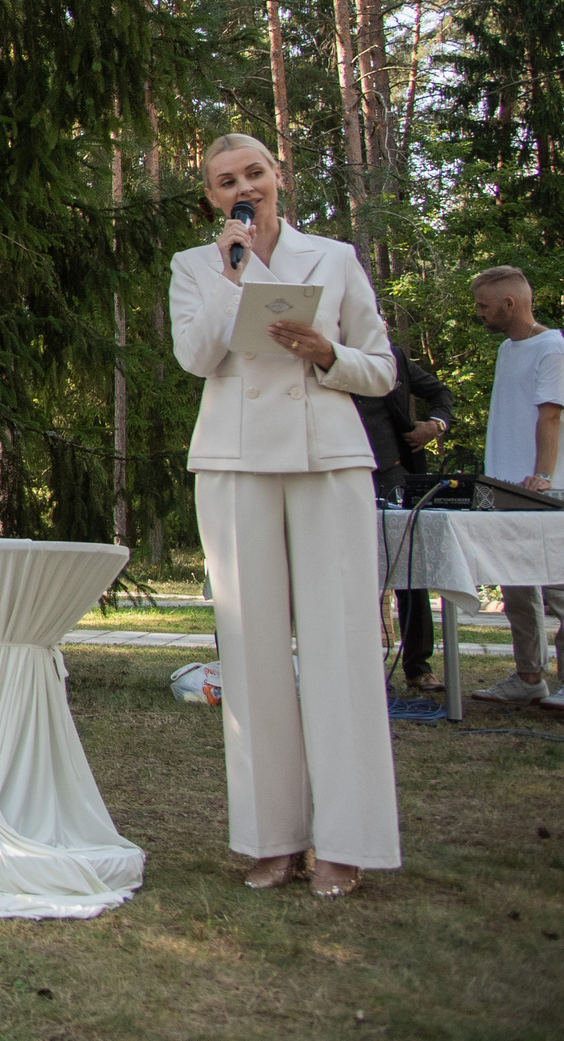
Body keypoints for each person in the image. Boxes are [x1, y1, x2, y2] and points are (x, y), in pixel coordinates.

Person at [169, 133, 399, 898]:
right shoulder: (196, 266)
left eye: (254, 172)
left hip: (327, 458)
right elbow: (197, 358)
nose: (244, 186)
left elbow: (382, 369)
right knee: (251, 650)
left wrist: (326, 350)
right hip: (234, 463)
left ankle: (346, 840)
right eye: (226, 179)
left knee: (340, 647)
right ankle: (271, 838)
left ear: (278, 177)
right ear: (212, 197)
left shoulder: (332, 257)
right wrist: (233, 276)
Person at [468, 266, 564, 710]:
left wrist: (544, 477)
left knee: (560, 589)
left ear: (509, 304)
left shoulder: (553, 350)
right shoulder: (506, 349)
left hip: (541, 489)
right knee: (516, 585)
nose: (480, 314)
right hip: (503, 485)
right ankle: (529, 676)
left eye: (484, 306)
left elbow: (550, 415)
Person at [353, 342, 456, 690]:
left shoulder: (393, 355)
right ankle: (363, 667)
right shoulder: (318, 353)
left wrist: (436, 425)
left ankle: (418, 667)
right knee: (354, 574)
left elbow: (440, 391)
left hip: (393, 473)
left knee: (411, 572)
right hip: (342, 476)